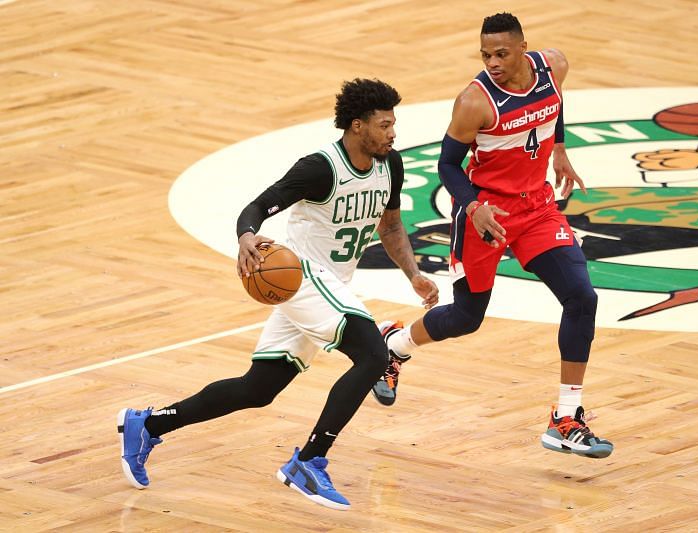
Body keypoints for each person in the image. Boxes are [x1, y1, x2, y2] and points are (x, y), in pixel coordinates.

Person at [117, 78, 439, 510]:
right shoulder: (320, 167)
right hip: (302, 277)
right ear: (358, 126)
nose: (393, 132)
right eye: (384, 125)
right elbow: (257, 206)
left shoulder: (390, 164)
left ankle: (150, 424)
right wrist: (246, 235)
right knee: (374, 356)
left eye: (393, 124)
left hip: (330, 286)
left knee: (258, 389)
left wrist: (413, 274)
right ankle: (309, 461)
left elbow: (392, 226)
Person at [371, 13, 613, 459]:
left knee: (583, 298)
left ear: (524, 47)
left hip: (537, 207)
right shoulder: (474, 102)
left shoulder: (554, 66)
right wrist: (475, 206)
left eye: (501, 53)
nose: (493, 62)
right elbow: (447, 166)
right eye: (486, 55)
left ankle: (565, 416)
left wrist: (557, 148)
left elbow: (554, 105)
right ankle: (394, 346)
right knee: (467, 316)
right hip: (488, 213)